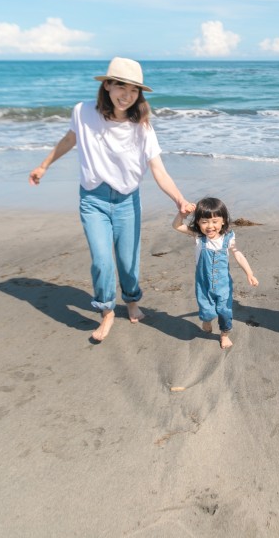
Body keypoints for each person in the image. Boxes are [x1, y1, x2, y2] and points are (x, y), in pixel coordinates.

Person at [29, 57, 193, 343]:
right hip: (93, 199)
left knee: (128, 262)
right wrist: (43, 166)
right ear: (107, 85)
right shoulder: (83, 112)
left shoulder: (142, 127)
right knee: (102, 260)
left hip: (128, 201)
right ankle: (106, 311)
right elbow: (69, 139)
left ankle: (131, 301)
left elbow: (158, 169)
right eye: (120, 87)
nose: (126, 95)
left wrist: (180, 199)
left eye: (133, 90)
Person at [172, 197, 259, 349]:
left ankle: (224, 335)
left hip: (224, 285)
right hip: (203, 284)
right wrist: (182, 214)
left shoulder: (228, 238)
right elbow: (177, 226)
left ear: (223, 221)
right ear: (198, 222)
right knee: (207, 312)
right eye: (204, 222)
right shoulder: (198, 236)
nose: (210, 226)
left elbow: (238, 254)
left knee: (225, 312)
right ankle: (206, 320)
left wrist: (249, 273)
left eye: (215, 221)